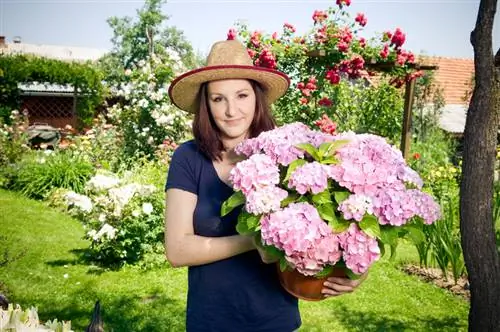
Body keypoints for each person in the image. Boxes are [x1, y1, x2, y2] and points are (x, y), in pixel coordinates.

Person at [164, 39, 366, 332]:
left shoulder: (290, 157)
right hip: (210, 323)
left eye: (242, 95)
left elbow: (339, 224)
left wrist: (355, 271)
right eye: (218, 99)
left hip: (276, 321)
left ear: (257, 98)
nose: (231, 110)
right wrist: (254, 240)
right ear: (206, 104)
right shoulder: (188, 158)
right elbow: (178, 250)